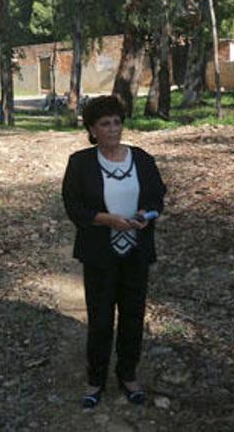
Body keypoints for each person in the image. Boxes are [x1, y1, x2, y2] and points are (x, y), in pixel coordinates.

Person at [61, 95, 167, 409]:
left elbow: (157, 198)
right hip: (99, 254)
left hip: (136, 252)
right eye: (105, 124)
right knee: (101, 318)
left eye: (117, 122)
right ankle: (95, 380)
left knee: (133, 316)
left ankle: (128, 375)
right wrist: (106, 220)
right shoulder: (80, 162)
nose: (113, 129)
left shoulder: (142, 159)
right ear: (92, 129)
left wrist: (144, 217)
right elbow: (74, 206)